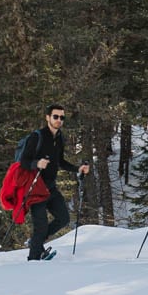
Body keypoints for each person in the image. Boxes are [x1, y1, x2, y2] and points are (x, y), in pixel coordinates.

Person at [16, 104, 90, 261]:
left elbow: (60, 161)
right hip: (35, 188)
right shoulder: (38, 136)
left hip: (50, 188)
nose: (59, 120)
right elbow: (23, 162)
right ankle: (34, 260)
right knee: (41, 227)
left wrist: (78, 169)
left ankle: (36, 242)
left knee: (63, 218)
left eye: (62, 117)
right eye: (55, 117)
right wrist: (37, 163)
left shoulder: (60, 138)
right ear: (48, 117)